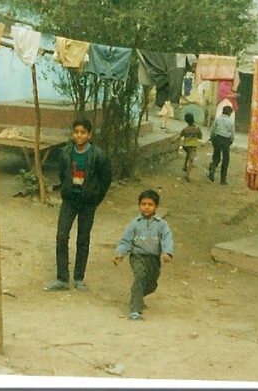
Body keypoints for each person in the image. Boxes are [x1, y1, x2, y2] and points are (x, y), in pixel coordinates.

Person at [44, 118, 113, 292]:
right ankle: (62, 279)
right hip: (69, 200)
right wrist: (68, 189)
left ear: (89, 134)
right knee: (61, 235)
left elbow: (106, 180)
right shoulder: (66, 153)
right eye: (76, 132)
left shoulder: (99, 155)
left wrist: (95, 198)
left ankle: (79, 278)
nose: (79, 135)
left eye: (83, 132)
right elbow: (62, 174)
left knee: (83, 239)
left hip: (88, 203)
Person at [113, 189, 174, 321]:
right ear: (139, 205)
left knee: (152, 284)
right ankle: (135, 310)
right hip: (137, 256)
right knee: (140, 277)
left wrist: (167, 252)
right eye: (143, 204)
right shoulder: (134, 224)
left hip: (153, 258)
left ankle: (137, 295)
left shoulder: (162, 225)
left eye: (150, 204)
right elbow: (126, 240)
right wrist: (120, 253)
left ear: (156, 207)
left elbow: (167, 239)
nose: (146, 207)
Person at [208, 105, 236, 185]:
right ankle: (223, 179)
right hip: (226, 140)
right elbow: (232, 133)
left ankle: (213, 167)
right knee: (226, 159)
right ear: (230, 113)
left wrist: (212, 138)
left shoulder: (218, 119)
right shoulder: (231, 122)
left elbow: (213, 130)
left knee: (216, 156)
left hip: (217, 138)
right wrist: (231, 141)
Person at [178, 112, 202, 181]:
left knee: (188, 154)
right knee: (191, 160)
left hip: (185, 146)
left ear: (186, 121)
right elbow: (200, 137)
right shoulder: (197, 129)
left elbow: (180, 136)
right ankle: (187, 175)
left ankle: (185, 166)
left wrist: (174, 141)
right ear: (193, 120)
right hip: (193, 146)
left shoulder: (185, 129)